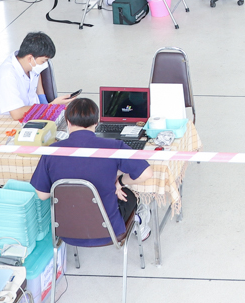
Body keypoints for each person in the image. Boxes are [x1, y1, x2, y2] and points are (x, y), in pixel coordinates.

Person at [29, 97, 153, 244]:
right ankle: (139, 221)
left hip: (66, 232)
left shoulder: (52, 151)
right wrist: (119, 181)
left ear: (67, 122)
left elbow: (42, 195)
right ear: (96, 122)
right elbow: (146, 173)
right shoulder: (114, 147)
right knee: (129, 196)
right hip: (109, 232)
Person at [0, 31, 67, 120]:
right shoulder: (7, 76)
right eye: (43, 61)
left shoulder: (28, 64)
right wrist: (50, 106)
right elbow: (16, 114)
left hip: (34, 115)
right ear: (30, 58)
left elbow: (37, 76)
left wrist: (43, 100)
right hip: (12, 122)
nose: (45, 65)